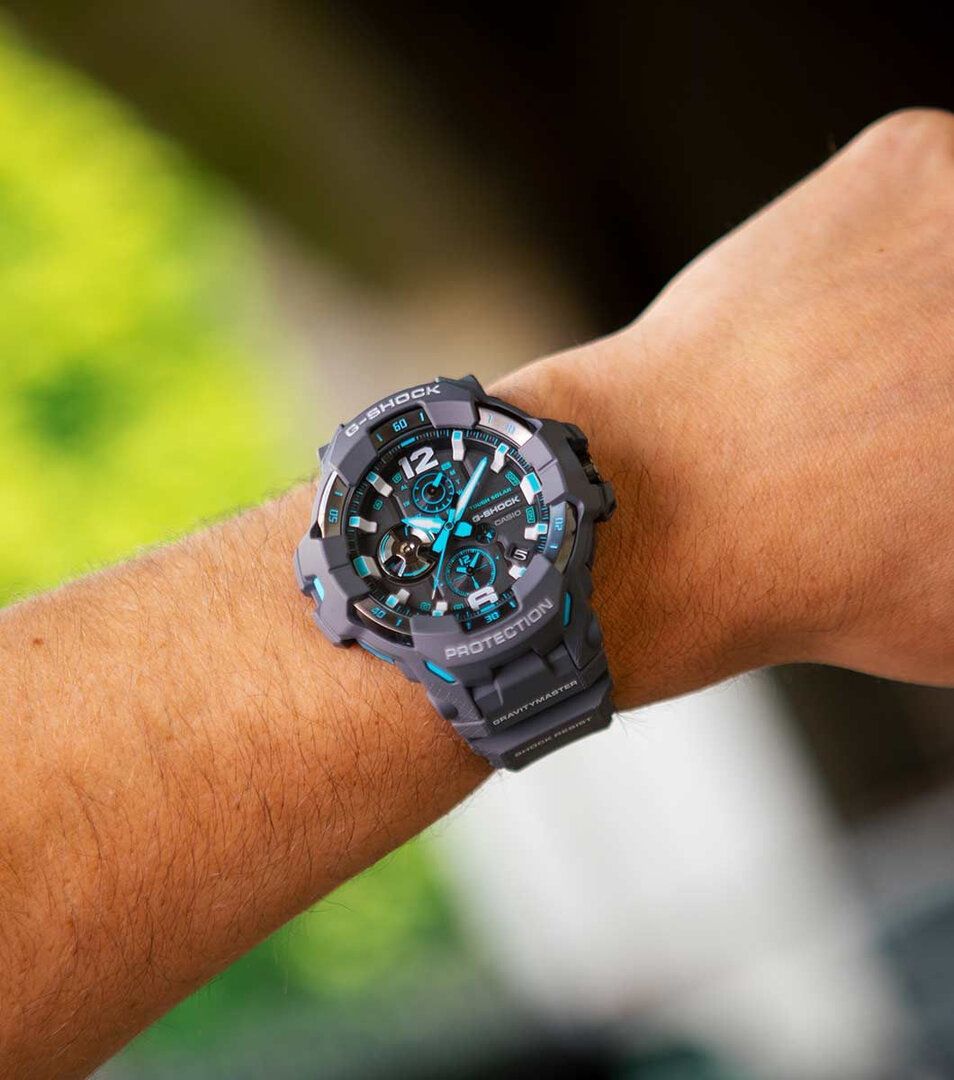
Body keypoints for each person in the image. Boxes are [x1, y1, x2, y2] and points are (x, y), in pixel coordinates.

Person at [4, 108, 954, 1078]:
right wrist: (677, 430)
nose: (454, 531)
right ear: (329, 593)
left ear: (574, 477)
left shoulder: (512, 488)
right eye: (428, 534)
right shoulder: (360, 586)